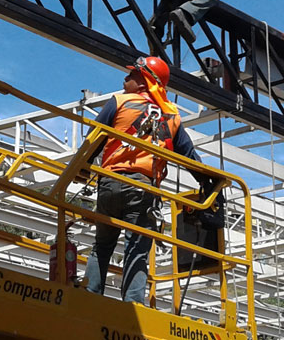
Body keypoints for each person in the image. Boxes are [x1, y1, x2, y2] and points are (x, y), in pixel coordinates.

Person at [82, 56, 207, 304]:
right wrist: (212, 184)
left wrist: (81, 169)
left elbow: (92, 141)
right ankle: (133, 304)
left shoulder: (119, 101)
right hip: (143, 189)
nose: (125, 78)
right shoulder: (171, 117)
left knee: (102, 245)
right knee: (137, 250)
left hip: (111, 182)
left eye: (132, 75)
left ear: (145, 82)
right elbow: (189, 156)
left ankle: (90, 295)